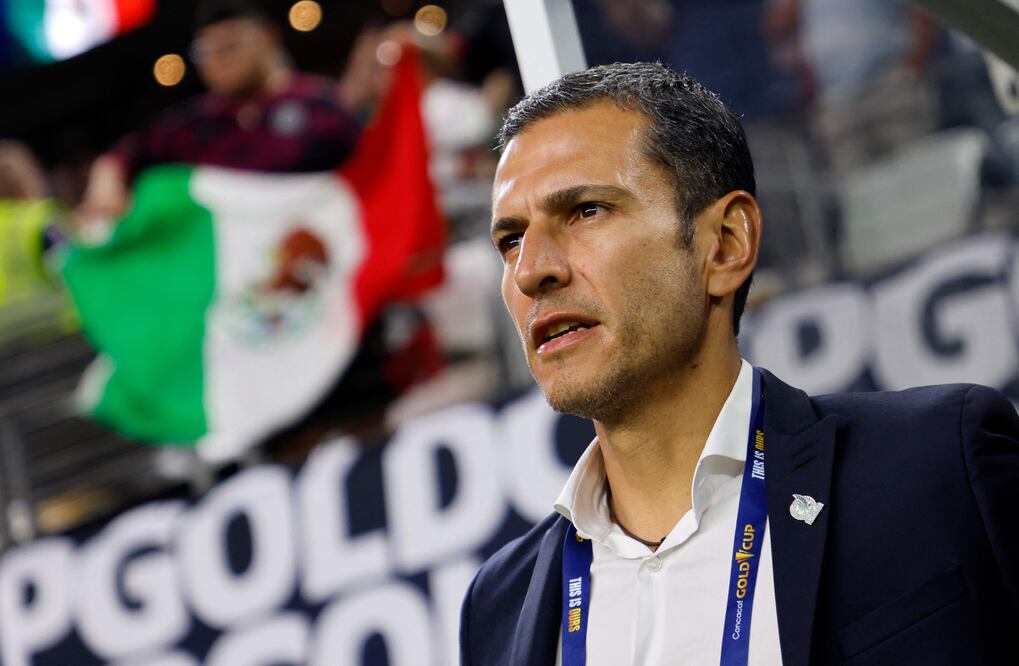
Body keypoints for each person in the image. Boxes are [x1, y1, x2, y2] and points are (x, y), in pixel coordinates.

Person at [460, 62, 1019, 665]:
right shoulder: (500, 604)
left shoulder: (936, 463)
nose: (530, 270)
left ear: (725, 244)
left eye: (586, 211)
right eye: (510, 239)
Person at [80, 0, 360, 222]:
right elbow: (128, 156)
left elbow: (375, 168)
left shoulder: (320, 105)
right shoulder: (191, 124)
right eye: (207, 50)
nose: (220, 58)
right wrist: (107, 177)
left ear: (267, 37)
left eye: (230, 44)